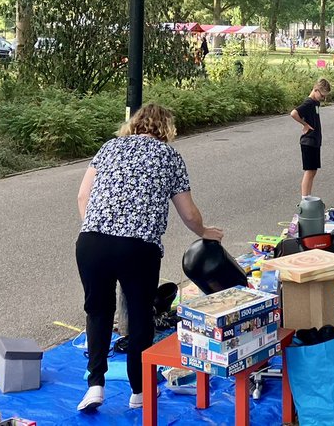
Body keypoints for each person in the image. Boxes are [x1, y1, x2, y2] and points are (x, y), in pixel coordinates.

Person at [74, 104, 223, 412]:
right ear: (166, 129)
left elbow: (82, 196)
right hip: (138, 247)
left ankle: (95, 386)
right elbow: (188, 212)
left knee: (98, 312)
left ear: (134, 124)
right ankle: (139, 392)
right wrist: (205, 231)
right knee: (141, 315)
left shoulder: (109, 147)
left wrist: (95, 228)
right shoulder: (169, 156)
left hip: (92, 243)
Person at [291, 78, 331, 198]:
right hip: (308, 141)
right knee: (309, 171)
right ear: (316, 90)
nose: (323, 99)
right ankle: (305, 198)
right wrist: (305, 124)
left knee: (313, 170)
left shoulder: (316, 103)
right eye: (322, 96)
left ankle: (308, 196)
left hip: (315, 141)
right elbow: (294, 113)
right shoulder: (309, 103)